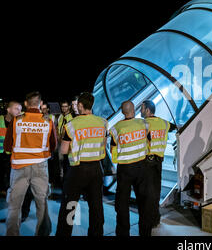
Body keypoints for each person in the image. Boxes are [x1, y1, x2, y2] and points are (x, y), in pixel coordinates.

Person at [4, 92, 56, 236]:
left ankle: (12, 233)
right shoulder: (48, 121)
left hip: (19, 167)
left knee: (14, 206)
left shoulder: (17, 120)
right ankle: (43, 233)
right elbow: (53, 146)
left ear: (26, 104)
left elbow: (8, 147)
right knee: (42, 203)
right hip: (40, 166)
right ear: (40, 103)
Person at [55, 92, 108, 236]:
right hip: (97, 169)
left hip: (77, 170)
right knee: (96, 206)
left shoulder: (72, 125)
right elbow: (103, 144)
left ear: (80, 105)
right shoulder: (102, 122)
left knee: (70, 205)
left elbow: (64, 150)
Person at [109, 100, 152, 236]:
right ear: (134, 110)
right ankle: (145, 233)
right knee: (144, 202)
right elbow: (149, 142)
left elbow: (112, 150)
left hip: (125, 168)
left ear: (122, 112)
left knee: (122, 203)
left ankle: (123, 233)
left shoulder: (116, 129)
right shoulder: (144, 124)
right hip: (141, 166)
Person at [141, 99, 177, 227]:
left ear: (147, 110)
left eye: (142, 108)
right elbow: (175, 127)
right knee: (155, 191)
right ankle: (155, 218)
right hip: (158, 162)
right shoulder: (163, 123)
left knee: (146, 193)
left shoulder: (143, 124)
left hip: (146, 162)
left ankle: (148, 219)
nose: (140, 110)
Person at [0, 101, 22, 196]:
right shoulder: (0, 119)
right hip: (1, 153)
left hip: (13, 153)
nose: (19, 111)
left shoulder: (20, 122)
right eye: (16, 108)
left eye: (20, 109)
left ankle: (8, 189)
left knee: (11, 174)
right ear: (8, 110)